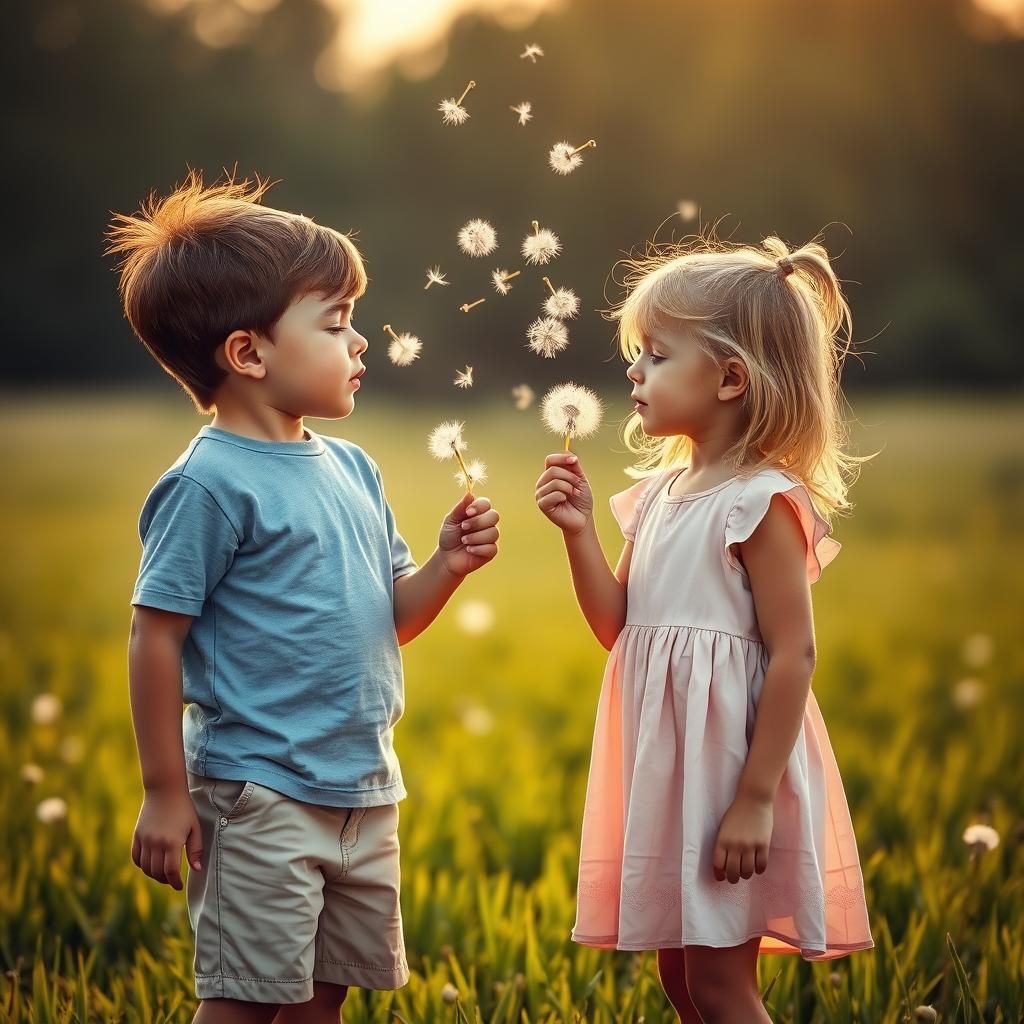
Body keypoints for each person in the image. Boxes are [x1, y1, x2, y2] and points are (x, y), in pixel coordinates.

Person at [108, 172, 501, 1024]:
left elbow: (391, 617)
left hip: (361, 786)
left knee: (321, 1001)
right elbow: (154, 638)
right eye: (335, 324)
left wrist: (444, 567)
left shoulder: (355, 468)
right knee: (245, 1004)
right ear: (248, 354)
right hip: (258, 792)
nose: (360, 342)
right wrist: (164, 791)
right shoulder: (208, 485)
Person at [535, 233, 873, 1023]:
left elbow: (796, 652)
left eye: (655, 354)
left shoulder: (760, 502)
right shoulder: (656, 496)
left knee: (722, 984)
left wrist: (754, 799)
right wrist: (580, 531)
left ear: (729, 377)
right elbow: (619, 628)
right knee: (681, 980)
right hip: (668, 771)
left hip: (729, 773)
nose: (633, 372)